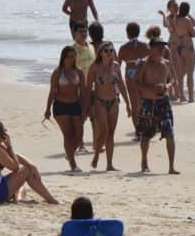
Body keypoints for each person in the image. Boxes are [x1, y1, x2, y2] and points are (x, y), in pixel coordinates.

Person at [0, 121, 57, 204]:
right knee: (26, 171)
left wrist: (31, 165)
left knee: (21, 186)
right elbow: (15, 167)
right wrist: (9, 146)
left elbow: (12, 156)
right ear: (0, 135)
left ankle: (18, 199)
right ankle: (51, 199)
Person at [136, 29, 178, 174]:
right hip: (148, 102)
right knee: (146, 135)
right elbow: (136, 83)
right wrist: (152, 88)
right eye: (158, 46)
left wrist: (166, 86)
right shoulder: (143, 64)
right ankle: (144, 160)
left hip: (163, 102)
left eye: (163, 46)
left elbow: (172, 81)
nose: (161, 48)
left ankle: (171, 166)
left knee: (170, 133)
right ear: (151, 48)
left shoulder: (166, 63)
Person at [86, 42, 129, 171]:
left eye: (111, 50)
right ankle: (96, 156)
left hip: (113, 101)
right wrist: (88, 106)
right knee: (103, 132)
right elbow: (88, 88)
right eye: (106, 51)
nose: (109, 53)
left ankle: (109, 164)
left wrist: (128, 103)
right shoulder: (94, 67)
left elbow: (121, 85)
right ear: (100, 53)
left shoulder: (116, 66)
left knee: (111, 133)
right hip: (100, 102)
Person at [45, 46, 86, 171]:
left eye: (74, 57)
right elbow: (52, 91)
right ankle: (73, 165)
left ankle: (69, 154)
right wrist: (47, 109)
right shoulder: (58, 73)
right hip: (60, 105)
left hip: (75, 104)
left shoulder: (79, 72)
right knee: (68, 135)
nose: (72, 59)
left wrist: (85, 108)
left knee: (79, 135)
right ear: (63, 58)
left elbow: (83, 92)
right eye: (69, 57)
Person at [117, 22, 147, 138]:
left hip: (130, 74)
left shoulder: (123, 48)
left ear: (127, 33)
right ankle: (145, 128)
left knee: (135, 105)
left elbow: (117, 66)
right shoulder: (145, 46)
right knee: (144, 103)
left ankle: (138, 131)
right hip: (142, 74)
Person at [171, 2, 195, 103]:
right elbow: (194, 34)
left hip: (179, 47)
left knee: (180, 74)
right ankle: (191, 97)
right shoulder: (186, 20)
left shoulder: (175, 19)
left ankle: (181, 96)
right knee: (190, 74)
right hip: (188, 47)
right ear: (187, 10)